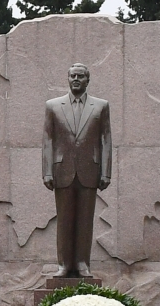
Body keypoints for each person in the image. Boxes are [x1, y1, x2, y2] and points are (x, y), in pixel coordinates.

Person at [42, 63, 112, 278]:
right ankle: (63, 265)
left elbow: (106, 139)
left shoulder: (101, 106)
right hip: (62, 170)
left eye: (80, 76)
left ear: (87, 80)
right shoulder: (53, 106)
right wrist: (47, 171)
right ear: (68, 78)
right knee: (64, 221)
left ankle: (82, 264)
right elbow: (48, 140)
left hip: (89, 171)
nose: (76, 79)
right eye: (73, 76)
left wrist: (106, 172)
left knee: (85, 221)